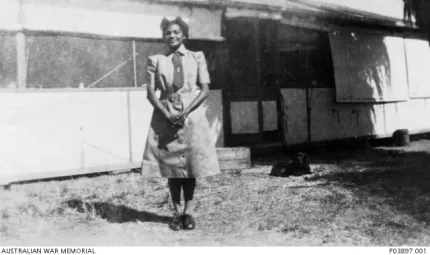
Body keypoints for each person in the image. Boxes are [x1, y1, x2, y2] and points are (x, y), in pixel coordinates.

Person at [141, 17, 220, 231]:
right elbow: (150, 94)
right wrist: (167, 115)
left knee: (191, 166)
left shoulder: (197, 57)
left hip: (191, 116)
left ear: (184, 35)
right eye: (168, 33)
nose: (172, 36)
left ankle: (189, 212)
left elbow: (204, 90)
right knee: (171, 165)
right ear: (163, 36)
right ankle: (176, 213)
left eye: (177, 32)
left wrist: (186, 110)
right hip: (164, 116)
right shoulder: (155, 60)